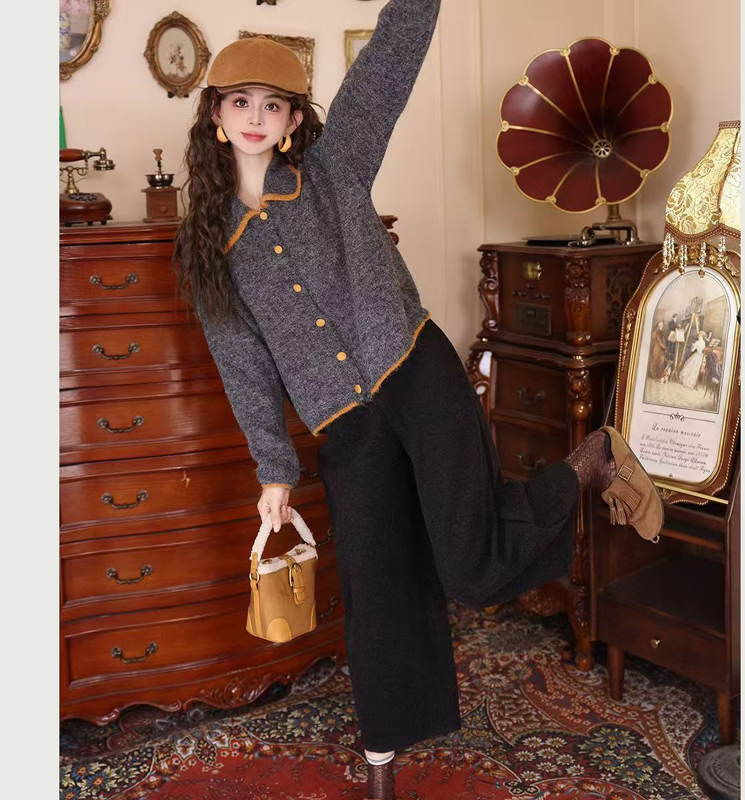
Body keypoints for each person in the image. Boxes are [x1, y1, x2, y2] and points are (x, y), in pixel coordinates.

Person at [171, 2, 664, 797]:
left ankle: (591, 461)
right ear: (215, 118)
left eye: (273, 105)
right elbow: (243, 363)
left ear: (293, 121)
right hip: (346, 427)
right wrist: (274, 468)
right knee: (379, 597)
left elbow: (389, 61)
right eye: (240, 102)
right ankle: (381, 765)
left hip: (417, 373)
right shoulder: (205, 249)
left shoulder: (335, 168)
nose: (256, 117)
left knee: (468, 567)